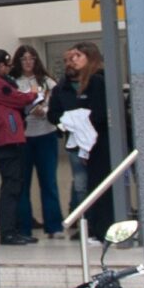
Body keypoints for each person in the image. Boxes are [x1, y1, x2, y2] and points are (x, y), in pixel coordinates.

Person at [49, 43, 116, 241]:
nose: (73, 61)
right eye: (69, 58)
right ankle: (89, 226)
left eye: (78, 56)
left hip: (98, 144)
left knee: (100, 185)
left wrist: (79, 119)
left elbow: (101, 113)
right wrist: (69, 122)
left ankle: (102, 229)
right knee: (81, 186)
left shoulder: (99, 81)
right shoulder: (62, 86)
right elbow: (54, 114)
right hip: (77, 144)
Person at [0, 48, 45, 246]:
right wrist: (34, 94)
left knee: (14, 185)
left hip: (8, 138)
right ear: (0, 65)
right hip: (6, 139)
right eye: (7, 65)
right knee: (11, 185)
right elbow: (17, 98)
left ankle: (12, 229)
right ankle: (8, 231)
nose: (9, 69)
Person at [11, 44, 64, 237]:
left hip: (46, 134)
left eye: (31, 58)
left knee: (49, 182)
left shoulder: (48, 81)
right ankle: (25, 228)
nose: (28, 62)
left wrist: (47, 111)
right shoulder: (13, 82)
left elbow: (59, 104)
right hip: (23, 137)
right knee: (23, 184)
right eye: (24, 58)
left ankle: (54, 226)